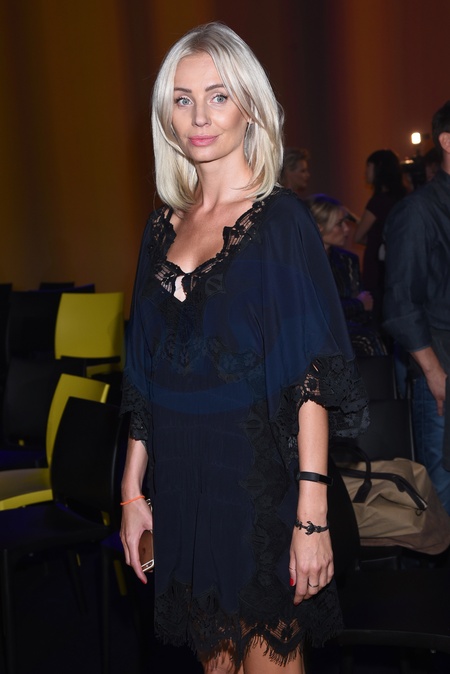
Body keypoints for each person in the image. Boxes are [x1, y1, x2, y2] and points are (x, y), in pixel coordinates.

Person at [119, 22, 368, 674]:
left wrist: (311, 518)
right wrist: (133, 490)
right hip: (184, 487)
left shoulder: (280, 221)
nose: (199, 116)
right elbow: (145, 372)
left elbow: (310, 377)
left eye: (218, 96)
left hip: (260, 490)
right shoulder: (160, 227)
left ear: (250, 106)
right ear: (165, 115)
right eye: (182, 99)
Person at [383, 100, 450, 516]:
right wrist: (434, 373)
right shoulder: (418, 211)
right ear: (447, 142)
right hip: (440, 363)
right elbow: (401, 304)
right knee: (443, 491)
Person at [306, 193, 387, 358]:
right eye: (339, 224)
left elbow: (366, 309)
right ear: (319, 227)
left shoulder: (348, 260)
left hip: (348, 335)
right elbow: (315, 313)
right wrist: (358, 304)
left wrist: (355, 306)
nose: (347, 229)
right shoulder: (301, 262)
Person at [354, 149, 407, 326]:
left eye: (368, 167)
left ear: (378, 168)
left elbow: (359, 235)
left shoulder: (378, 201)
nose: (365, 172)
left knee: (377, 318)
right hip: (397, 268)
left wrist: (373, 242)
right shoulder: (404, 198)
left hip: (377, 270)